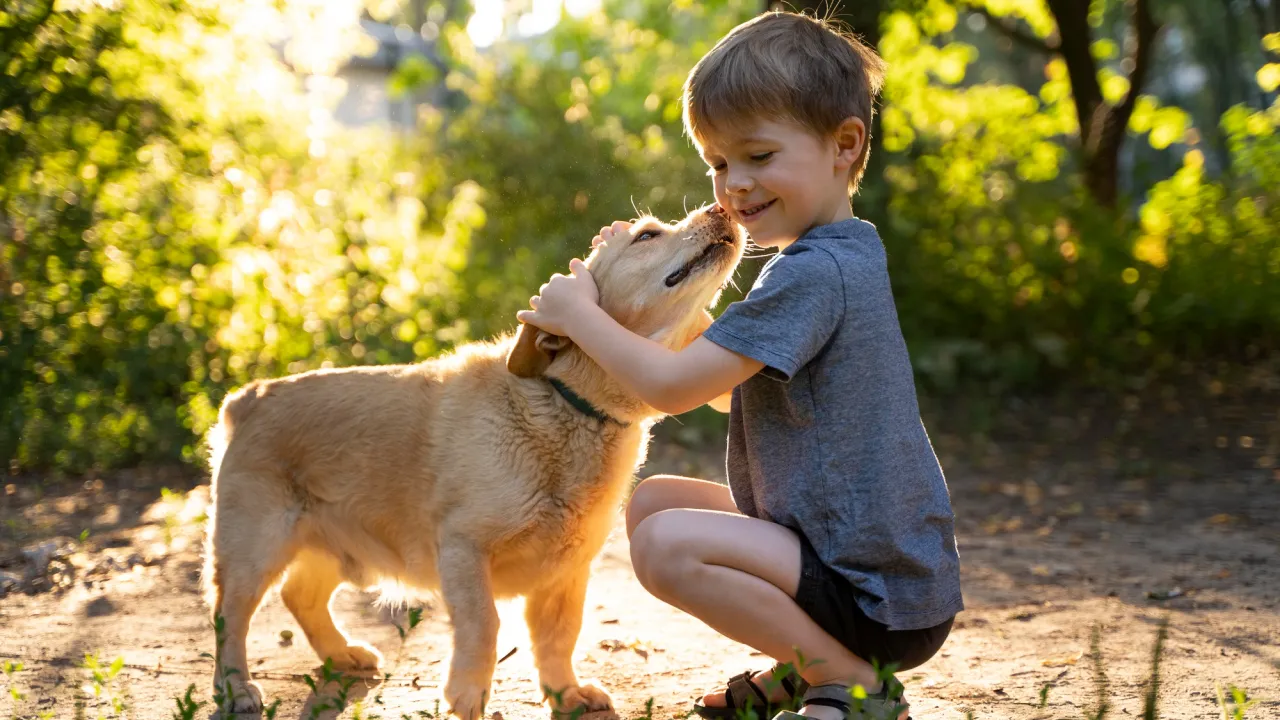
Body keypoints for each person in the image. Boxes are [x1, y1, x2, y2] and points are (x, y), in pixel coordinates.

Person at [516, 11, 962, 720]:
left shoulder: (815, 274)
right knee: (655, 500)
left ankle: (849, 681)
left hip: (877, 593)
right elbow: (731, 394)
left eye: (758, 156)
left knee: (663, 546)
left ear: (844, 144)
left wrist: (580, 319)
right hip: (857, 556)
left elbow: (671, 388)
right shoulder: (833, 256)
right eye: (719, 164)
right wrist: (646, 281)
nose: (735, 185)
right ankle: (805, 667)